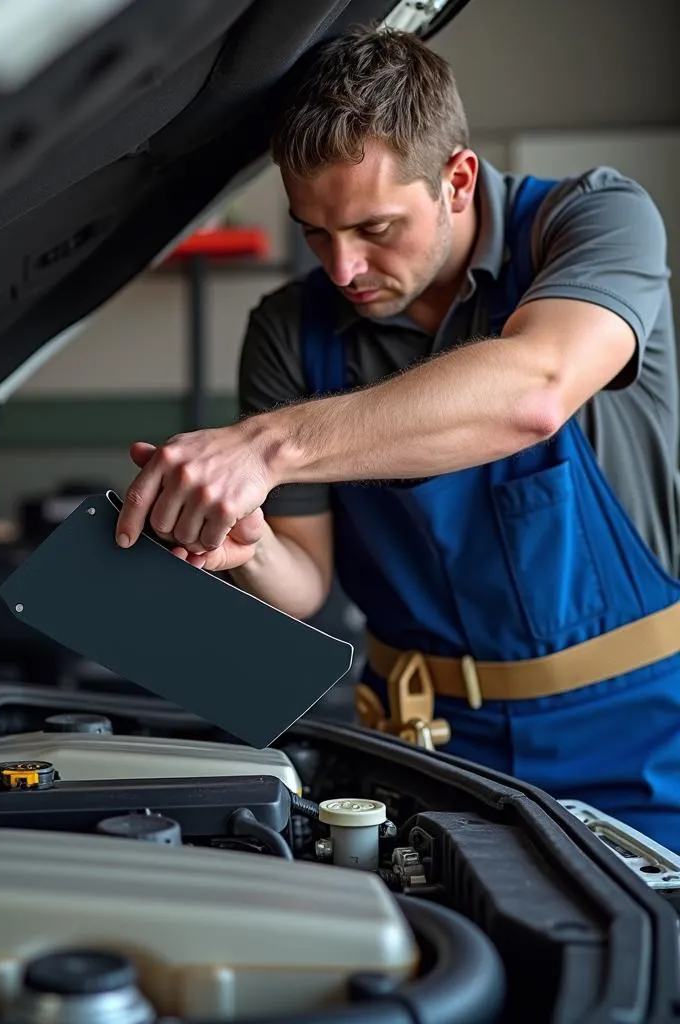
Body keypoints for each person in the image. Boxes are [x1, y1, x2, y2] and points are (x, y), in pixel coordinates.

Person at [114, 26, 680, 850]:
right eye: (315, 232)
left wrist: (266, 446)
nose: (342, 269)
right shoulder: (289, 331)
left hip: (642, 738)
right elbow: (306, 586)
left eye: (374, 230)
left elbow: (537, 389)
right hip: (426, 745)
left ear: (456, 180)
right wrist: (252, 547)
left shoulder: (593, 221)